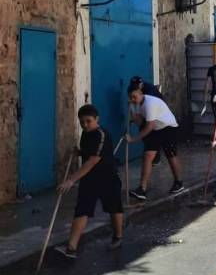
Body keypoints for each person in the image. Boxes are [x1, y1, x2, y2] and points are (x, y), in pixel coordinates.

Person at [54, 105, 124, 259]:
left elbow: (93, 160)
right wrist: (79, 152)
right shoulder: (85, 134)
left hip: (107, 177)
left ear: (96, 119)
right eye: (82, 122)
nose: (85, 125)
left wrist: (71, 180)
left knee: (113, 207)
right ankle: (71, 248)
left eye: (88, 121)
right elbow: (88, 153)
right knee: (82, 209)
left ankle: (118, 236)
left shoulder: (102, 135)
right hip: (89, 178)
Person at [126, 80, 184, 200]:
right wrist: (132, 109)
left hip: (168, 127)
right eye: (130, 97)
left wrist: (133, 139)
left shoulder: (149, 103)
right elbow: (139, 122)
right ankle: (142, 189)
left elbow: (148, 127)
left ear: (141, 94)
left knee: (171, 155)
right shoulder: (136, 104)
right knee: (148, 156)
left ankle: (178, 182)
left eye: (134, 97)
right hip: (155, 129)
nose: (132, 99)